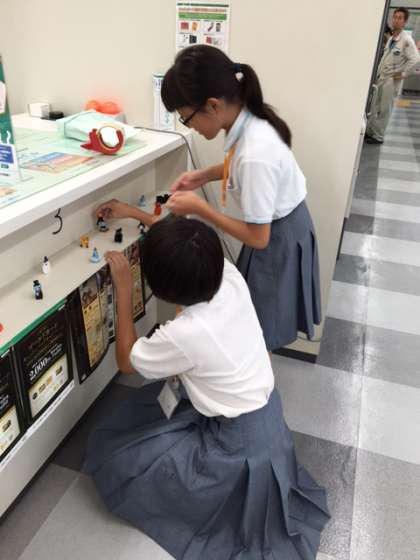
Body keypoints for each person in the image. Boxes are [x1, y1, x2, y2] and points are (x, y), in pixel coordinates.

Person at [84, 216, 330, 560]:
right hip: (270, 421)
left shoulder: (186, 334)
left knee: (123, 460)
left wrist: (123, 290)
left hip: (237, 449)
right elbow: (185, 243)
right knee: (151, 413)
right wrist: (132, 212)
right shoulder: (229, 276)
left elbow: (126, 360)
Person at [159, 45, 321, 352]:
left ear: (212, 105)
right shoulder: (247, 123)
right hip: (280, 229)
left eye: (186, 118)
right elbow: (241, 167)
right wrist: (204, 175)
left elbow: (258, 238)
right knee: (257, 322)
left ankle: (258, 379)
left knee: (260, 331)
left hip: (276, 239)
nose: (190, 127)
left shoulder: (255, 152)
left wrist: (200, 208)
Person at [366, 7, 420, 144]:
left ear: (405, 22)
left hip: (391, 80)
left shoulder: (406, 40)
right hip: (382, 78)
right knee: (376, 107)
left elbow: (415, 59)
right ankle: (371, 131)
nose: (396, 20)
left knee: (384, 109)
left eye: (400, 18)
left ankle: (378, 136)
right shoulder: (392, 39)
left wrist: (404, 73)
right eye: (395, 17)